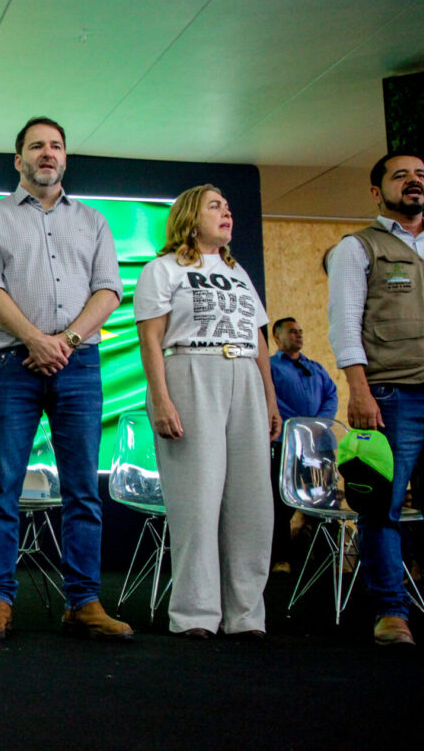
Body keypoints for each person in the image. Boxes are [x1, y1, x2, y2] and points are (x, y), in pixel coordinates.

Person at [0, 117, 132, 641]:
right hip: (12, 364)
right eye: (36, 146)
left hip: (79, 365)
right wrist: (36, 339)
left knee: (82, 491)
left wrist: (66, 342)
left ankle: (83, 602)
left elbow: (109, 290)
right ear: (19, 160)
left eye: (56, 146)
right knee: (2, 488)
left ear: (64, 158)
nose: (47, 153)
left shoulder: (94, 222)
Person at [326, 152, 424, 646]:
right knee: (382, 511)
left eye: (421, 174)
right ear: (378, 192)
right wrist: (359, 391)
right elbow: (344, 323)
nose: (414, 182)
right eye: (401, 176)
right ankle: (391, 612)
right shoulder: (358, 247)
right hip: (393, 396)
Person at [134, 185, 280, 639]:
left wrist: (270, 398)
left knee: (253, 504)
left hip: (245, 376)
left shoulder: (238, 271)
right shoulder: (162, 269)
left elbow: (259, 339)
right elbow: (150, 338)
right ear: (189, 217)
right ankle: (195, 613)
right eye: (215, 206)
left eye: (228, 206)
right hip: (191, 369)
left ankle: (245, 615)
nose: (226, 212)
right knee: (196, 500)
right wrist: (160, 398)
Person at [268, 316, 337, 573]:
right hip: (286, 444)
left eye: (300, 331)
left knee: (324, 500)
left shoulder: (315, 368)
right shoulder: (270, 367)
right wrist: (300, 425)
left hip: (319, 445)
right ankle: (281, 559)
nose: (298, 335)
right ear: (276, 337)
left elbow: (331, 395)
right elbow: (271, 401)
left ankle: (327, 558)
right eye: (292, 331)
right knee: (281, 503)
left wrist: (319, 423)